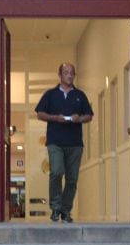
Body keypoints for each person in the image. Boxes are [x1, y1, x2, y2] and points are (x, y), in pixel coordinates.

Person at [35, 62, 94, 223]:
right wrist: (56, 118)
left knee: (72, 178)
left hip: (75, 143)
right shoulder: (50, 95)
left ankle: (65, 211)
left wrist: (78, 119)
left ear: (74, 76)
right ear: (60, 75)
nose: (69, 75)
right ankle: (55, 207)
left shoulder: (80, 95)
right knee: (56, 172)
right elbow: (40, 114)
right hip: (55, 141)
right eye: (66, 72)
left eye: (71, 73)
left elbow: (89, 115)